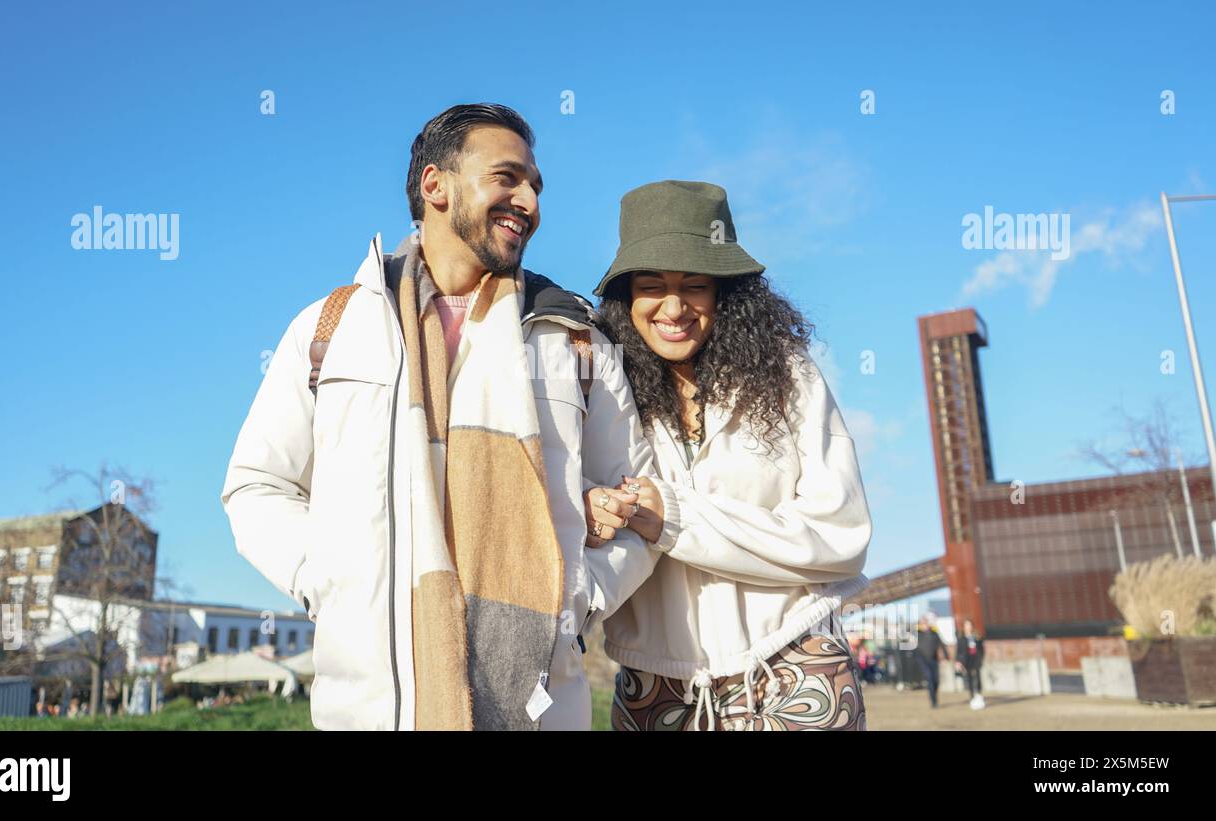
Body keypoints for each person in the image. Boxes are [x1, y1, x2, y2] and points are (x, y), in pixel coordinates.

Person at [222, 104, 656, 730]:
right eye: (507, 178)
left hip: (540, 708)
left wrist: (579, 597)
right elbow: (255, 486)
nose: (528, 200)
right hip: (370, 711)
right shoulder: (332, 329)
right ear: (436, 186)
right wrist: (331, 579)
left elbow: (641, 509)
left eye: (535, 185)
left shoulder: (575, 341)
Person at [586, 180, 873, 731]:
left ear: (726, 293)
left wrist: (675, 517)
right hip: (654, 691)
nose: (674, 307)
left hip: (796, 669)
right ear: (626, 298)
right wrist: (591, 513)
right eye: (651, 286)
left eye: (694, 284)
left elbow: (842, 536)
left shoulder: (789, 378)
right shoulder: (600, 388)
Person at [914, 613, 951, 708]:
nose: (924, 625)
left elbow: (942, 644)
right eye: (922, 623)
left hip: (933, 659)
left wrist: (947, 657)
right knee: (929, 678)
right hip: (922, 660)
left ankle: (934, 695)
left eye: (925, 623)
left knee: (936, 680)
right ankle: (933, 701)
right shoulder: (917, 634)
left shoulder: (934, 633)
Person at [956, 618, 986, 709]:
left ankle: (979, 694)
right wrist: (958, 662)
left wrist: (981, 658)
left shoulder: (976, 637)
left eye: (970, 625)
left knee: (977, 677)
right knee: (969, 678)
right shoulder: (961, 638)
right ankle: (972, 696)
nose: (968, 627)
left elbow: (981, 649)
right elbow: (959, 651)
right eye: (966, 625)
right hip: (966, 660)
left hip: (976, 659)